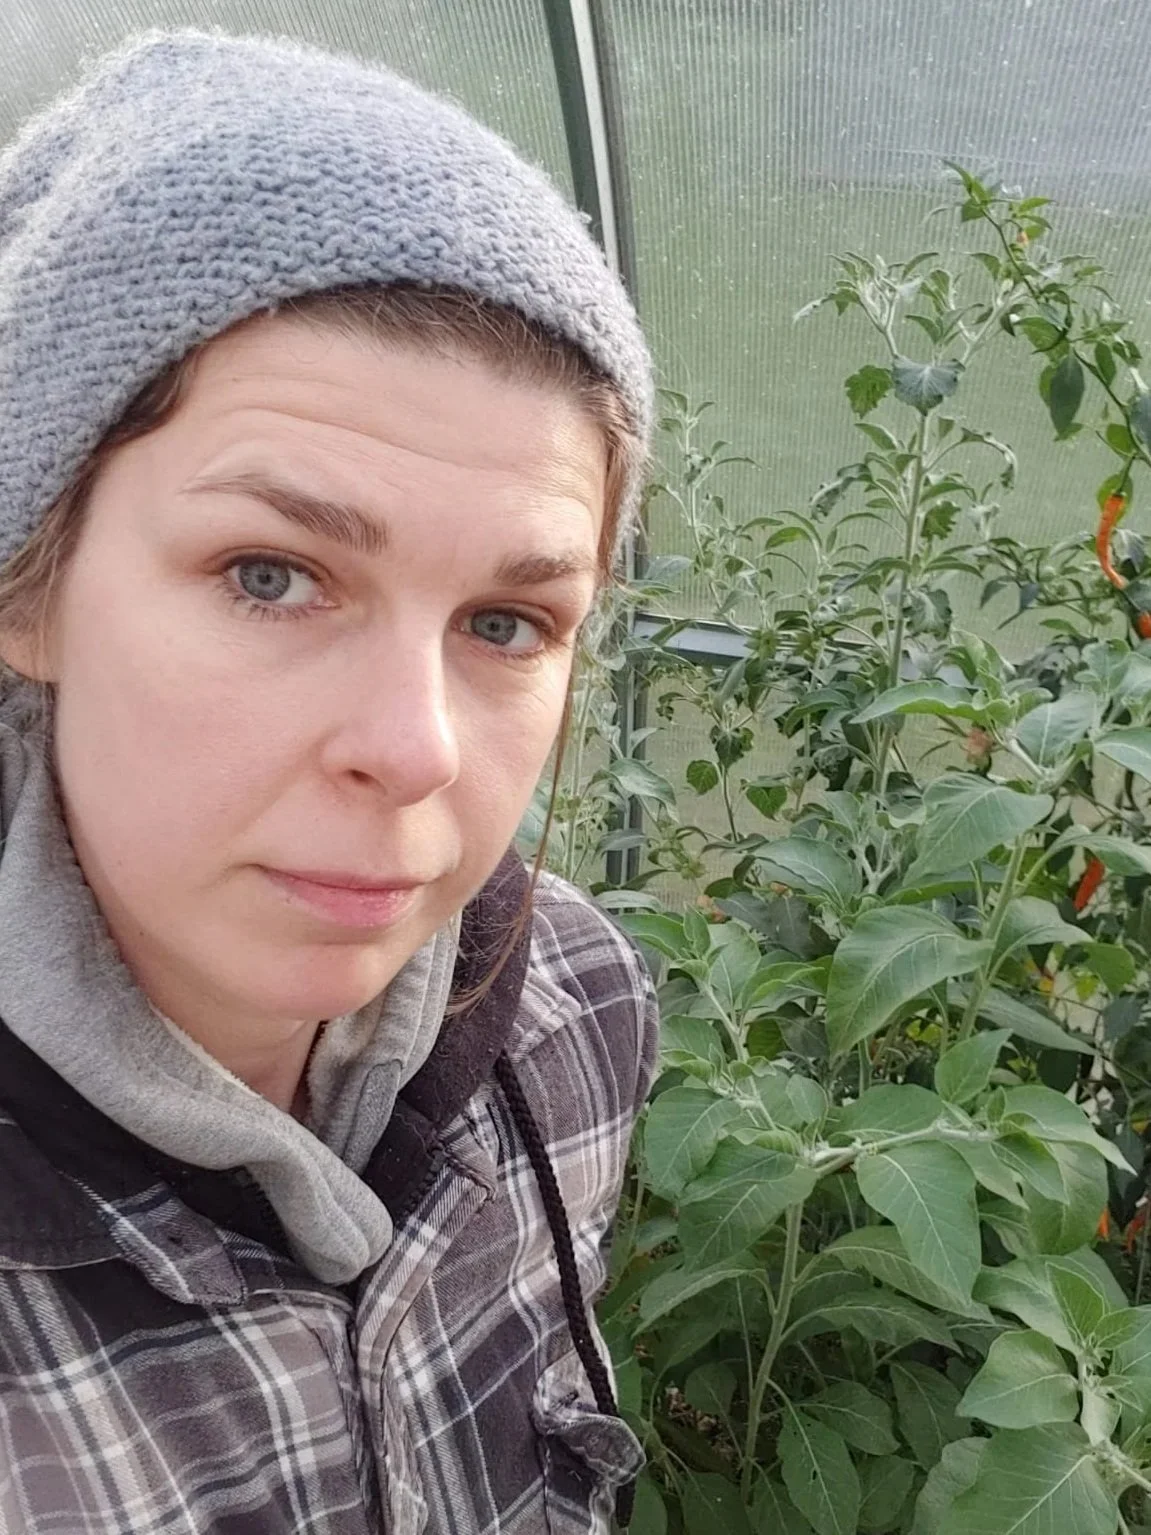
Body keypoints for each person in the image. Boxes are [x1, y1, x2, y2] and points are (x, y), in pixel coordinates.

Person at [0, 27, 658, 1535]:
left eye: (508, 622)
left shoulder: (578, 1007)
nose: (416, 749)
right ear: (31, 589)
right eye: (272, 573)